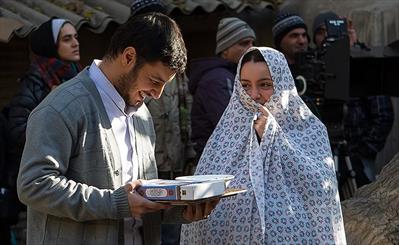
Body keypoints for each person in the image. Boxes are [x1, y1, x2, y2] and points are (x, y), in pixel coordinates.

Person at [16, 13, 217, 245]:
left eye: (164, 85)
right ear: (129, 56)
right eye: (154, 80)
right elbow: (34, 185)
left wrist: (180, 209)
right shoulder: (63, 107)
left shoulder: (141, 114)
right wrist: (114, 202)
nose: (157, 94)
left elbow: (139, 198)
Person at [180, 47, 346, 244]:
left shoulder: (309, 129)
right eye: (245, 85)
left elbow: (322, 192)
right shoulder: (225, 135)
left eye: (265, 85)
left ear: (282, 84)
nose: (254, 95)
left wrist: (273, 139)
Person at [2, 18, 82, 244]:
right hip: (46, 181)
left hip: (75, 179)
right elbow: (16, 131)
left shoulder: (77, 76)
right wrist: (52, 113)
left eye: (76, 37)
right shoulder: (36, 83)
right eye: (67, 39)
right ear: (50, 45)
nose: (75, 43)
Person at [129, 1, 195, 244]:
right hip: (147, 167)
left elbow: (184, 107)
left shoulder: (172, 65)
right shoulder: (132, 68)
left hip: (174, 163)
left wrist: (188, 153)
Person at [312, 11, 394, 186]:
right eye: (321, 32)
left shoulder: (361, 62)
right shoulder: (312, 66)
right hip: (321, 154)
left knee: (362, 203)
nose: (326, 36)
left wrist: (365, 151)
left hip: (358, 154)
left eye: (331, 31)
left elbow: (383, 113)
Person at [189, 17, 255, 157]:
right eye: (243, 43)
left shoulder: (231, 75)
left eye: (252, 43)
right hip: (217, 163)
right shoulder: (217, 79)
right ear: (225, 50)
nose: (251, 48)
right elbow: (233, 126)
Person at [272, 12, 321, 118]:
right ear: (280, 41)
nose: (302, 41)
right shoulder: (271, 69)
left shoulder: (318, 63)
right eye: (294, 36)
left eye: (304, 35)